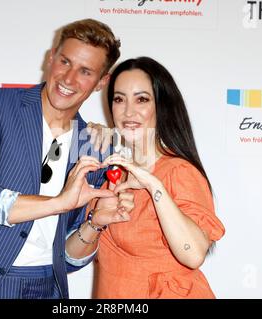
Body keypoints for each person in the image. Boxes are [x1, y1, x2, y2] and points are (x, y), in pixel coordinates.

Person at [0, 19, 132, 299]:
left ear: (102, 82)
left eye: (85, 71)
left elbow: (66, 258)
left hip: (44, 287)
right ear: (50, 58)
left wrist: (95, 223)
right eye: (65, 62)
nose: (68, 79)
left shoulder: (92, 145)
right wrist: (57, 203)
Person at [90, 57, 226, 298]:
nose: (128, 111)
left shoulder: (179, 171)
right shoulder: (112, 174)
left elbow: (193, 254)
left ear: (161, 106)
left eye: (141, 99)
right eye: (119, 99)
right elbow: (72, 252)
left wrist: (153, 185)